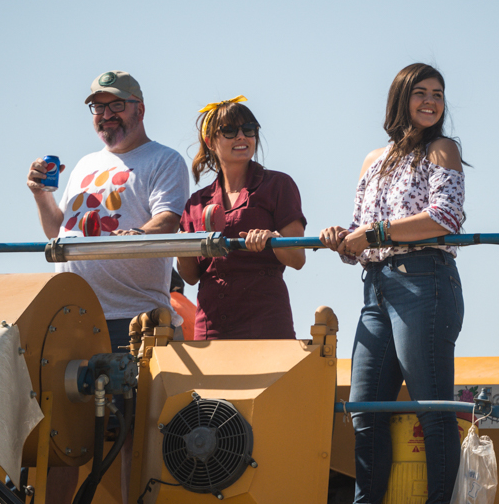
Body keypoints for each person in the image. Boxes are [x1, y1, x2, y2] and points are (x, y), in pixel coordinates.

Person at [320, 63, 466, 504]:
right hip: (375, 285)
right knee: (365, 406)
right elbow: (361, 238)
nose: (430, 102)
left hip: (426, 280)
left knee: (431, 403)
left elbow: (445, 217)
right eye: (420, 93)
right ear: (400, 99)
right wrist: (341, 239)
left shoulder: (442, 149)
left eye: (438, 94)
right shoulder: (372, 160)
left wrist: (375, 234)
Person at [27, 70, 189, 350]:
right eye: (98, 107)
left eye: (117, 105)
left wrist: (136, 234)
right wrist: (40, 195)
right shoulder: (85, 163)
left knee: (135, 395)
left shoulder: (164, 159)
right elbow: (58, 231)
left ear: (140, 109)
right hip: (71, 317)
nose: (106, 114)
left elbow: (167, 221)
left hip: (136, 319)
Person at [177, 97, 306, 339]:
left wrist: (273, 239)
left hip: (265, 322)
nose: (241, 136)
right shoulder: (195, 203)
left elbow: (298, 258)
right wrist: (182, 249)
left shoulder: (279, 185)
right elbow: (191, 276)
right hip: (211, 327)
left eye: (249, 130)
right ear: (210, 142)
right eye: (229, 130)